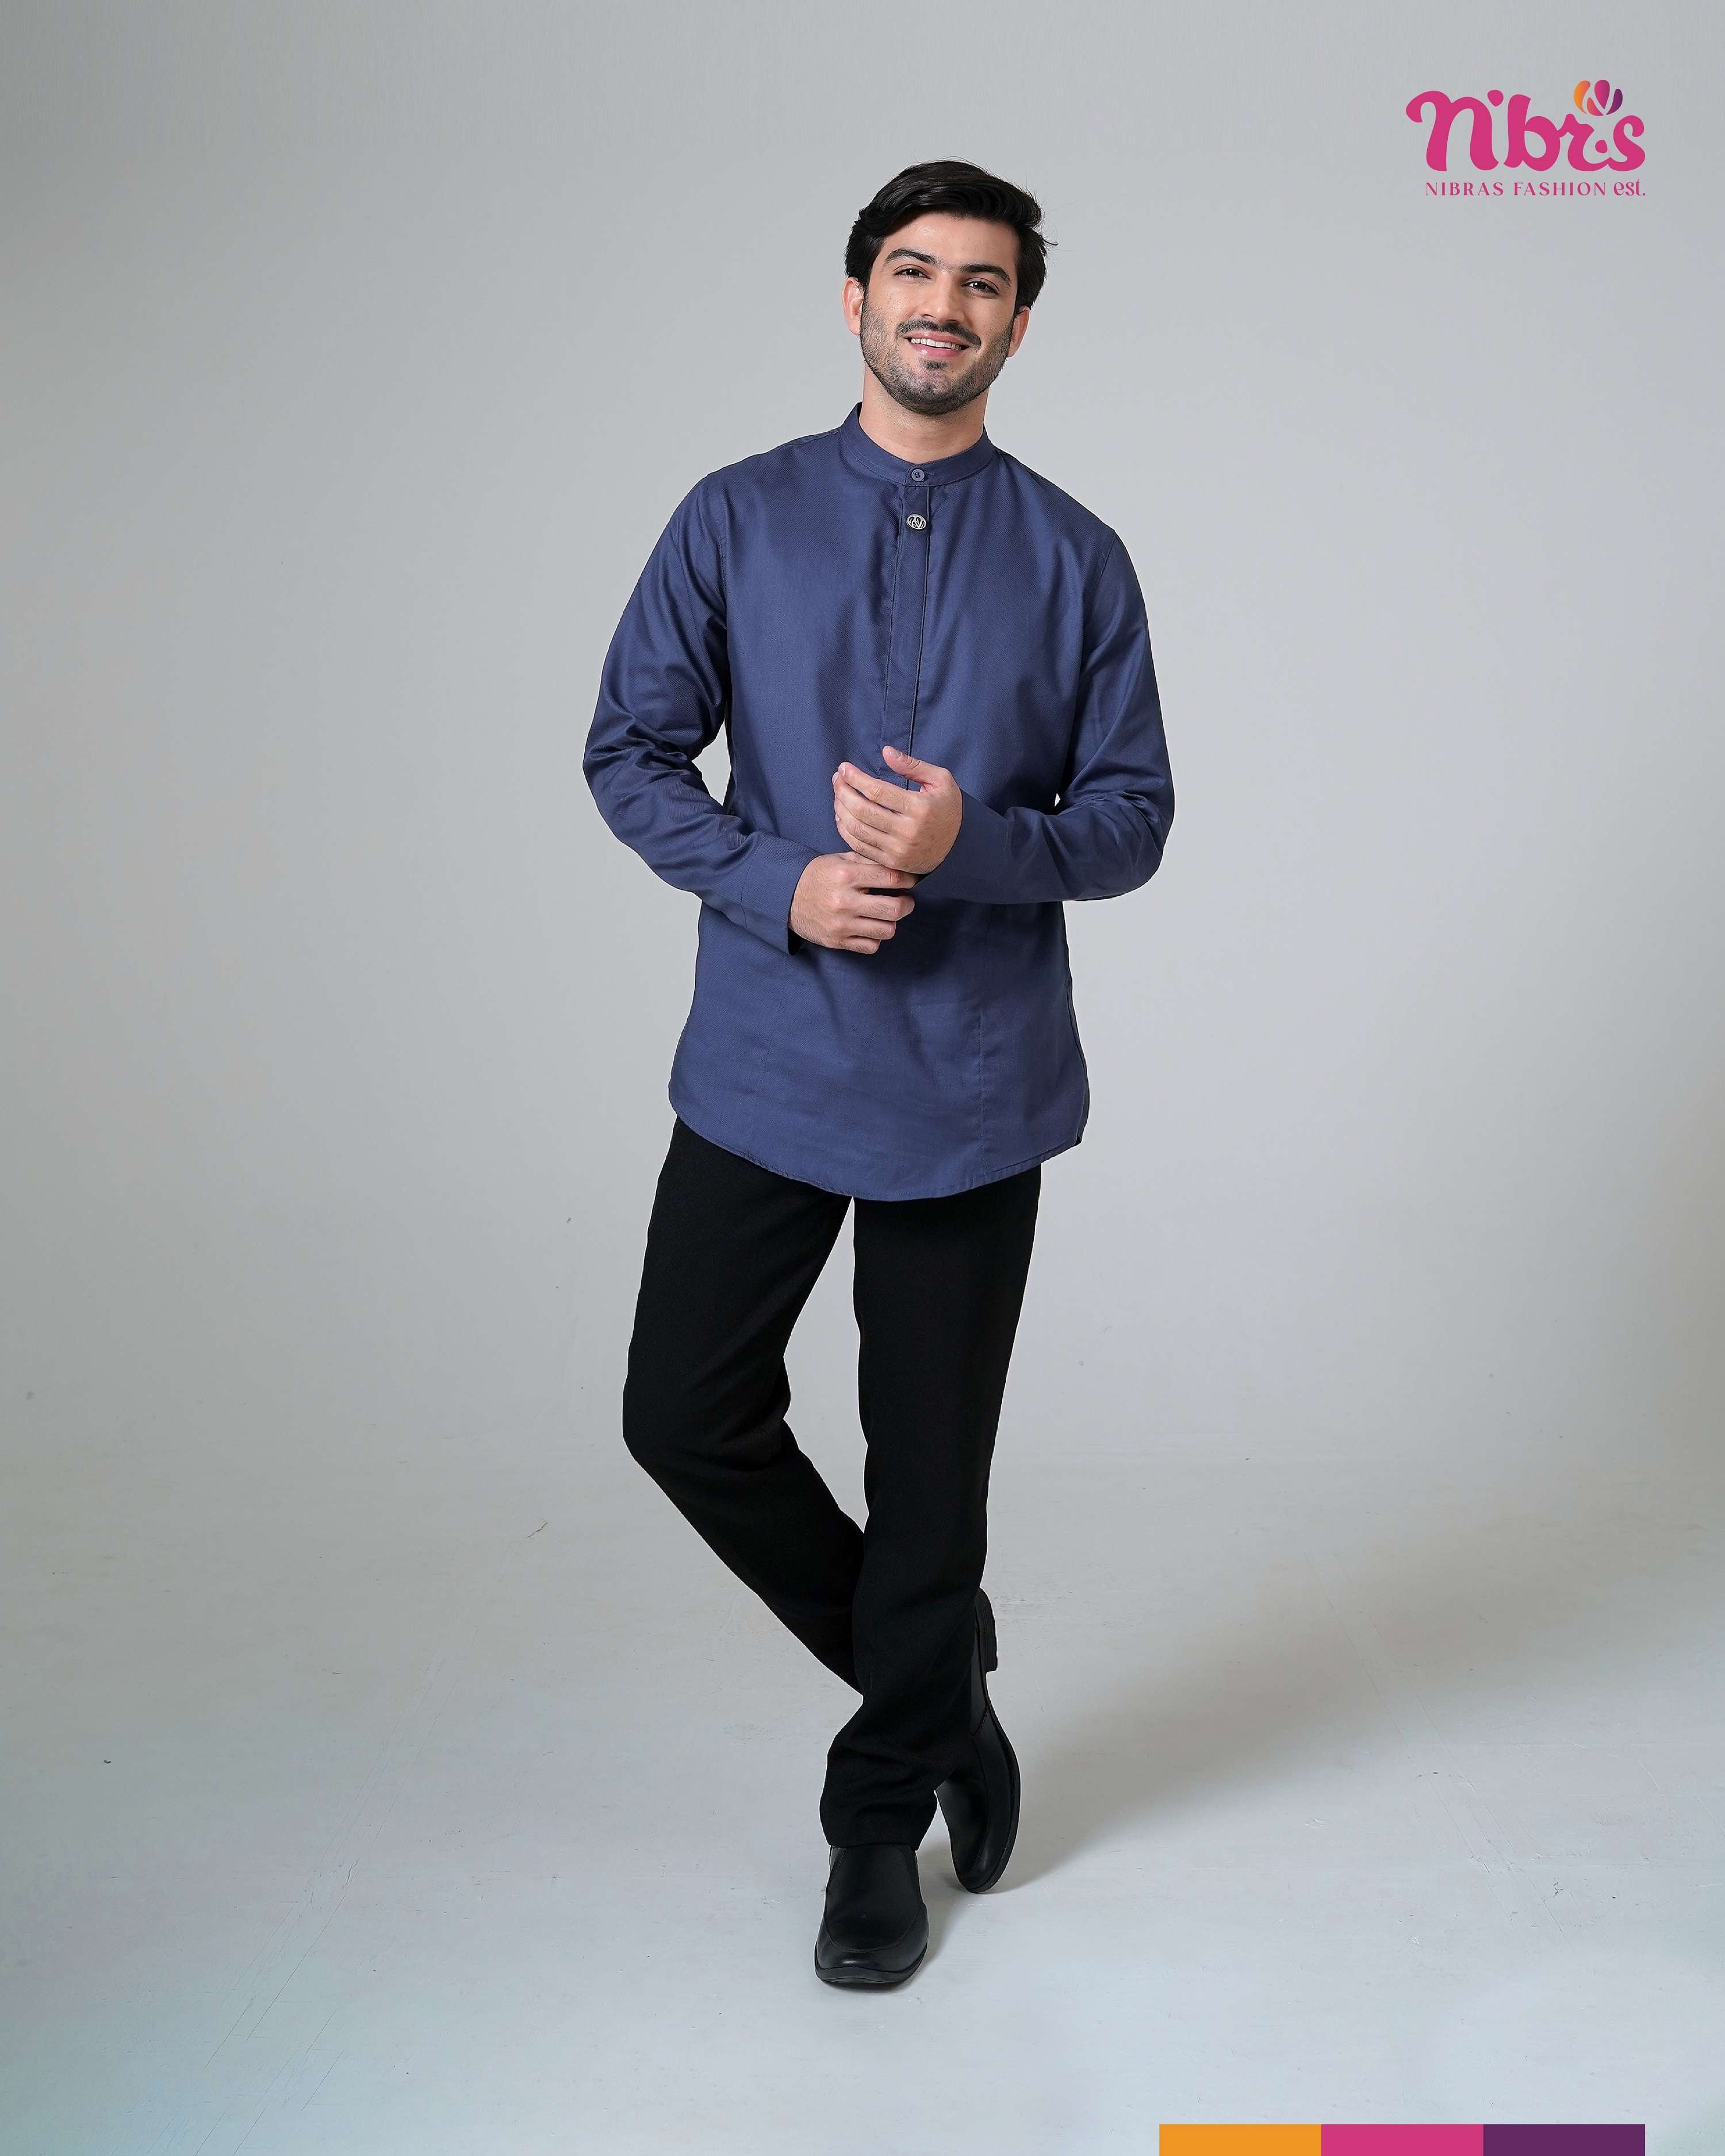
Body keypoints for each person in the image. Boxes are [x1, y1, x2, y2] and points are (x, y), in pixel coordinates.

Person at [583, 159, 1174, 1987]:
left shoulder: (1076, 557)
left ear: (1018, 324)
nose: (943, 306)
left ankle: (873, 1826)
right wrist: (781, 880)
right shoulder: (736, 517)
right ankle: (940, 1696)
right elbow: (629, 754)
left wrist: (966, 841)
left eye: (982, 283)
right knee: (683, 1412)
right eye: (914, 273)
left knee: (931, 1477)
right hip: (769, 1058)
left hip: (974, 1085)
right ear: (856, 300)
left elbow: (1133, 820)